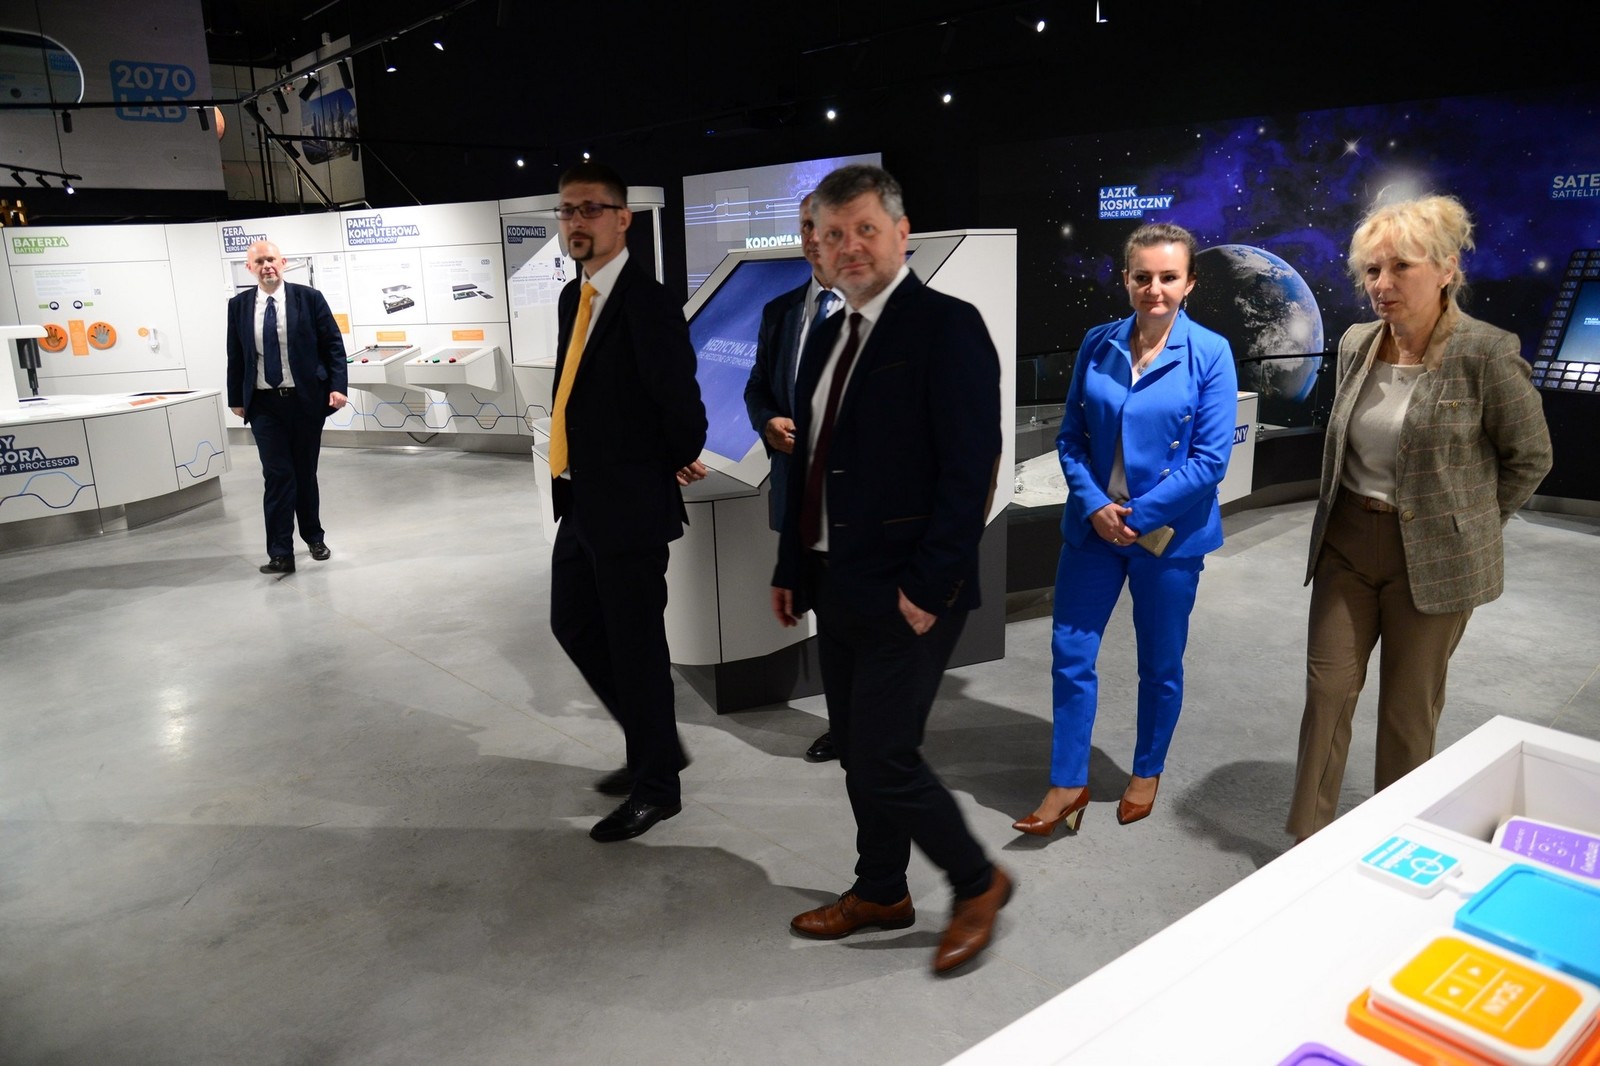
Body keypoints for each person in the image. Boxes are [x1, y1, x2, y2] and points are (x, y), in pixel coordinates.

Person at [771, 164, 1011, 975]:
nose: (848, 246)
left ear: (902, 233)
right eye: (833, 233)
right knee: (858, 752)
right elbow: (809, 469)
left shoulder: (947, 326)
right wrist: (792, 564)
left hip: (908, 591)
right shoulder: (827, 335)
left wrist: (930, 587)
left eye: (865, 229)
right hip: (836, 580)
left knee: (884, 757)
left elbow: (970, 469)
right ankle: (881, 890)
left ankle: (977, 882)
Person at [1286, 195, 1552, 840]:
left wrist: (1467, 524)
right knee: (1327, 694)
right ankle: (1307, 843)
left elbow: (1530, 457)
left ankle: (1394, 839)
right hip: (1348, 543)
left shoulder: (1486, 352)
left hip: (1432, 559)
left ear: (1446, 269)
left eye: (1400, 267)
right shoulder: (1356, 343)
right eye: (1372, 270)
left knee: (1408, 712)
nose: (1382, 284)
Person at [1014, 222, 1237, 838]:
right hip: (1094, 530)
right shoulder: (1098, 342)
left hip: (1167, 537)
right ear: (1126, 280)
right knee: (1070, 655)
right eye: (1143, 277)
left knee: (1159, 662)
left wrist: (1135, 517)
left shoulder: (1211, 352)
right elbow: (1070, 438)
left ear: (1189, 283)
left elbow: (1210, 461)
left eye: (1169, 277)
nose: (1154, 289)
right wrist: (1094, 506)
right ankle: (1068, 782)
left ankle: (1147, 770)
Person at [546, 161, 708, 843]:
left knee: (637, 650)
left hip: (630, 510)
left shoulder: (648, 302)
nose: (576, 221)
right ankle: (656, 747)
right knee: (572, 624)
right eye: (567, 210)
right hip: (580, 499)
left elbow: (684, 418)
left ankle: (657, 787)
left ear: (622, 219)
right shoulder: (573, 298)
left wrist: (653, 465)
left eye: (590, 209)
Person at [743, 190, 842, 763]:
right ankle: (846, 726)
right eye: (805, 226)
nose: (812, 237)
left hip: (860, 503)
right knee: (827, 618)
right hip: (799, 496)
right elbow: (758, 386)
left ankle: (875, 728)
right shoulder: (780, 312)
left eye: (822, 225)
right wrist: (767, 422)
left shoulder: (882, 313)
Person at [226, 239, 348, 575]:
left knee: (304, 473)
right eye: (259, 262)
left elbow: (333, 345)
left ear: (283, 262)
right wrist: (236, 398)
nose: (266, 266)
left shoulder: (309, 298)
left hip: (305, 401)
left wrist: (338, 386)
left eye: (271, 260)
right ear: (250, 268)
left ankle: (314, 537)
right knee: (277, 475)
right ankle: (281, 552)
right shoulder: (239, 306)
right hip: (264, 404)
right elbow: (235, 353)